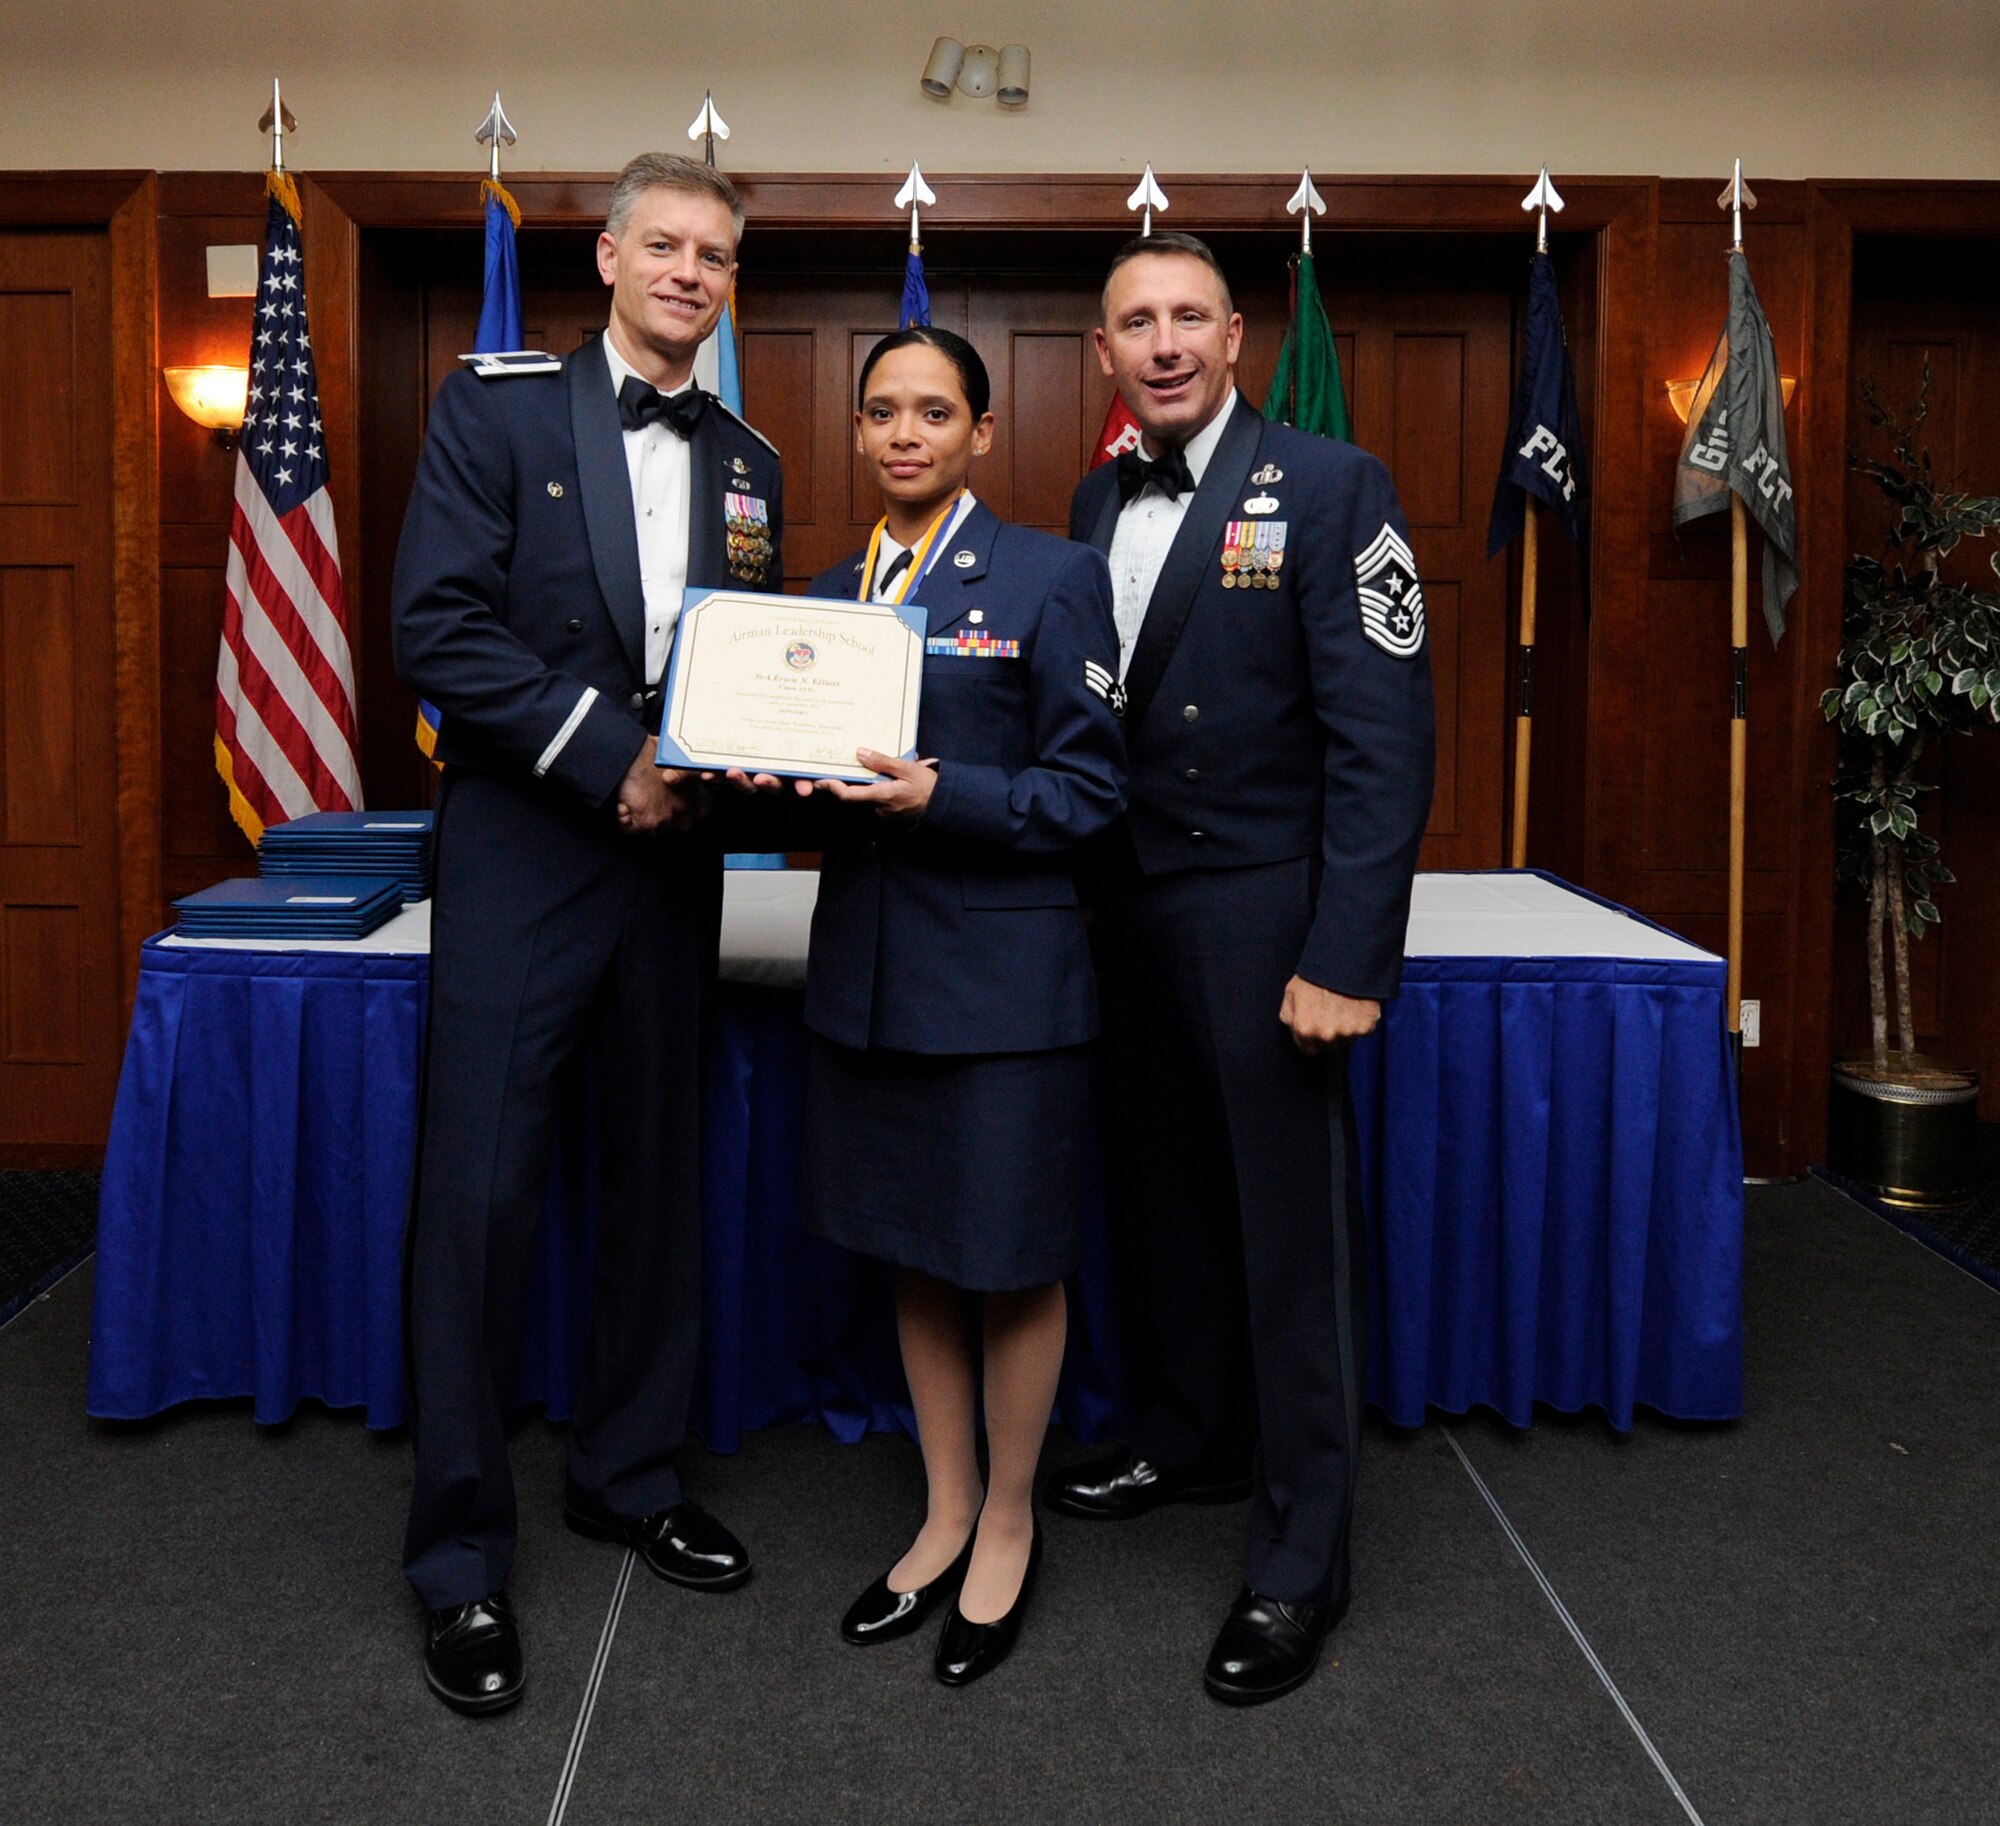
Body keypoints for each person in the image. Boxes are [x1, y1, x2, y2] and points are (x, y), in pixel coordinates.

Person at [390, 152, 782, 1715]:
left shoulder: (747, 452)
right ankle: (460, 1559)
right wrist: (603, 753)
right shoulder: (492, 412)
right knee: (481, 1202)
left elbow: (752, 658)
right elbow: (438, 627)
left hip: (677, 864)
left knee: (654, 1182)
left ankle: (626, 1470)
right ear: (608, 255)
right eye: (666, 244)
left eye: (716, 254)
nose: (691, 271)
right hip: (528, 853)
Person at [1048, 232, 1435, 1705]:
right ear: (1103, 352)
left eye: (1188, 317)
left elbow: (1385, 738)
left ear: (1236, 337)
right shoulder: (1093, 494)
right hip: (1130, 913)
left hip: (1270, 917)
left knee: (1291, 1242)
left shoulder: (1334, 486)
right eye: (1134, 321)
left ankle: (1300, 1560)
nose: (1161, 342)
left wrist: (1347, 950)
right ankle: (1193, 1436)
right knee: (1162, 1202)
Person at [794, 327, 1125, 1686]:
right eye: (882, 412)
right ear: (861, 432)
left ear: (982, 432)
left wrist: (952, 793)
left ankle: (1005, 1516)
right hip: (870, 981)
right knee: (914, 1248)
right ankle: (937, 1508)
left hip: (1002, 985)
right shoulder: (824, 594)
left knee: (1011, 1254)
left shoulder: (1052, 576)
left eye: (934, 411)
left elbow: (1093, 793)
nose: (905, 434)